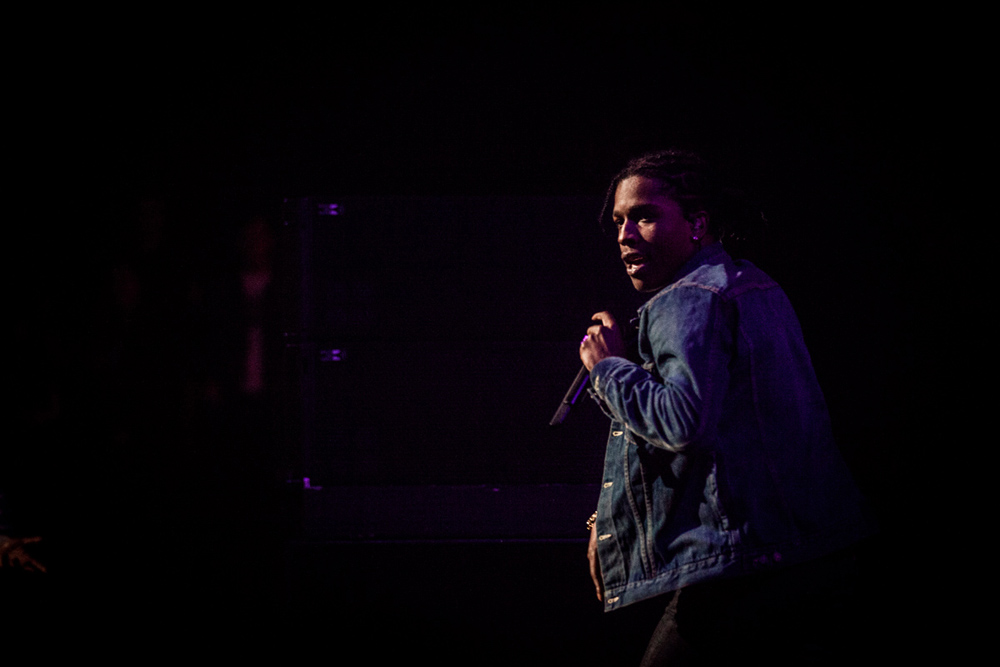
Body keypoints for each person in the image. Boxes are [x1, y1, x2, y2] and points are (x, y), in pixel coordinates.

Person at [580, 150, 875, 665]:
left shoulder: (688, 298)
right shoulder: (754, 285)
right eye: (619, 221)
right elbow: (733, 438)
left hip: (746, 565)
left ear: (698, 223)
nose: (625, 235)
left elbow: (681, 424)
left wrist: (608, 368)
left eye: (645, 216)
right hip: (816, 549)